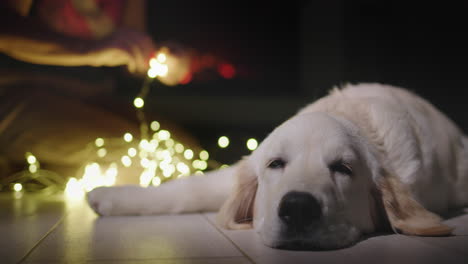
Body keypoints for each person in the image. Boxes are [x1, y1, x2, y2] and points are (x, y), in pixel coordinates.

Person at [0, 0, 194, 183]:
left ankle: (37, 168)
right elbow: (5, 27)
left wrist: (155, 57)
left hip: (90, 95)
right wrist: (92, 50)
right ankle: (27, 171)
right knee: (147, 159)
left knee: (184, 152)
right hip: (17, 93)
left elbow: (130, 51)